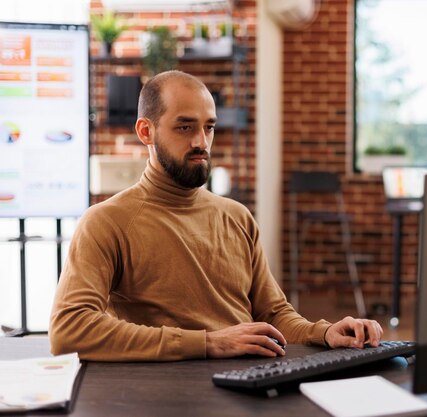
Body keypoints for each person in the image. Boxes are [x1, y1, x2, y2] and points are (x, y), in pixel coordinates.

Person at [49, 70, 383, 361]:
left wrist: (324, 333)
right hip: (165, 392)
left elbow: (274, 314)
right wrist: (208, 343)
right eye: (184, 127)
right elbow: (69, 330)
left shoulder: (236, 216)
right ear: (146, 132)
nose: (201, 142)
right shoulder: (106, 222)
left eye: (208, 127)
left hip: (251, 383)